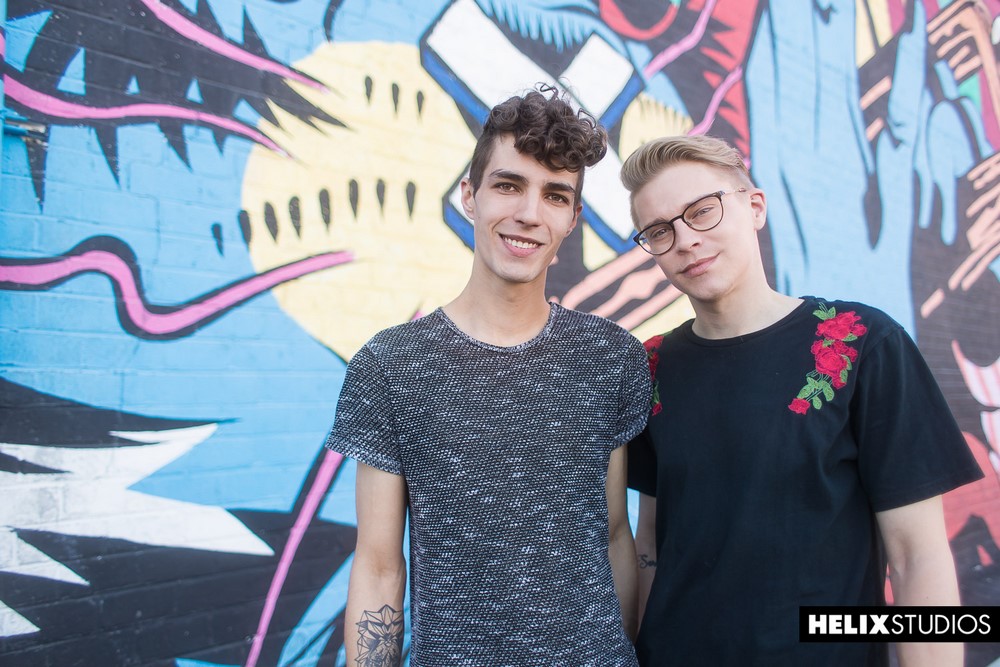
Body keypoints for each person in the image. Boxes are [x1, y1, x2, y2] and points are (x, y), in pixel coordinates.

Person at [619, 134, 983, 667]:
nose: (686, 240)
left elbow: (918, 557)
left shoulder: (862, 342)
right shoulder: (650, 366)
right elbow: (650, 544)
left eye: (702, 211)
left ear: (755, 206)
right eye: (659, 230)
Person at [325, 85, 651, 666]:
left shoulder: (611, 358)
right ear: (469, 196)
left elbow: (613, 534)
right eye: (508, 185)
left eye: (555, 195)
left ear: (572, 219)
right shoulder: (391, 365)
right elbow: (377, 566)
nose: (529, 213)